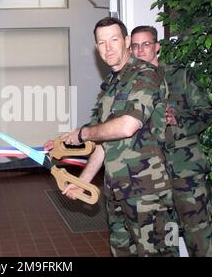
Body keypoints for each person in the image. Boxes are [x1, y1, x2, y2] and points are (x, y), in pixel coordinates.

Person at [56, 17, 179, 256]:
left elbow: (126, 127)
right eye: (101, 42)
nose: (108, 48)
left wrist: (83, 134)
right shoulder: (110, 84)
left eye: (114, 40)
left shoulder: (146, 75)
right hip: (116, 190)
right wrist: (82, 181)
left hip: (148, 193)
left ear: (125, 41)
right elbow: (105, 143)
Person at [130, 25, 212, 257]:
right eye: (135, 46)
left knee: (199, 234)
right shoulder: (128, 85)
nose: (140, 51)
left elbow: (207, 112)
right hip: (149, 176)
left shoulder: (179, 75)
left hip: (184, 170)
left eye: (146, 44)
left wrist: (177, 118)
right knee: (163, 239)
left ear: (157, 47)